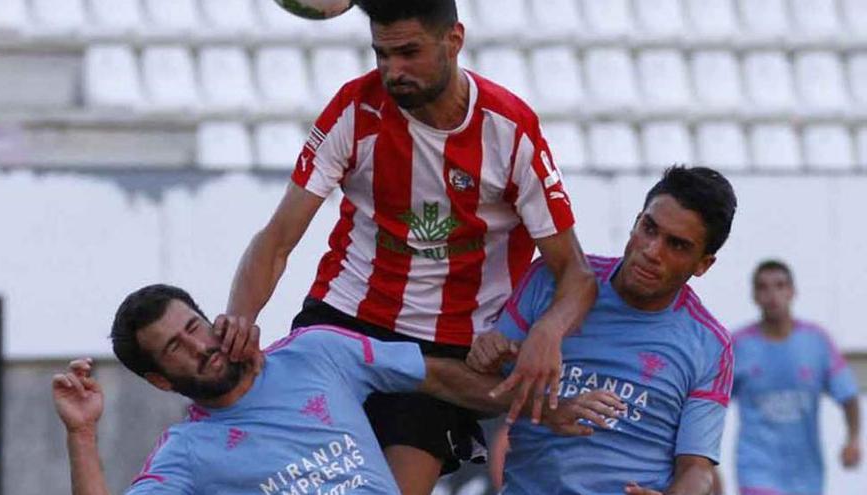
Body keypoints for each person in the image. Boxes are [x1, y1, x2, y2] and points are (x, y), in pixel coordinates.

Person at [224, 1, 596, 492]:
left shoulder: (509, 130)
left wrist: (547, 333)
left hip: (449, 349)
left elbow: (576, 272)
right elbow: (276, 240)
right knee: (297, 480)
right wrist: (239, 320)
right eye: (381, 54)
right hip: (344, 321)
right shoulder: (356, 109)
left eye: (408, 53)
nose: (392, 71)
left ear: (454, 40)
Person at [52, 284, 623, 495]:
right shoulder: (185, 454)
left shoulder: (316, 351)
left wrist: (545, 409)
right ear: (160, 379)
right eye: (176, 347)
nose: (199, 345)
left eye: (194, 326)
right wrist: (81, 433)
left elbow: (442, 377)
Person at [469, 166, 738, 495]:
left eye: (677, 245)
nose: (652, 250)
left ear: (703, 264)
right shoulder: (552, 280)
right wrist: (488, 358)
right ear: (636, 221)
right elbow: (482, 392)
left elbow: (697, 469)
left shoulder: (710, 344)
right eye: (649, 228)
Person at [727, 260, 861, 495]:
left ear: (792, 291)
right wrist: (703, 462)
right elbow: (710, 405)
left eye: (780, 286)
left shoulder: (816, 342)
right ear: (754, 295)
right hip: (756, 469)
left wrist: (853, 440)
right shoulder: (738, 345)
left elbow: (848, 396)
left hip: (806, 476)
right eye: (763, 287)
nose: (772, 295)